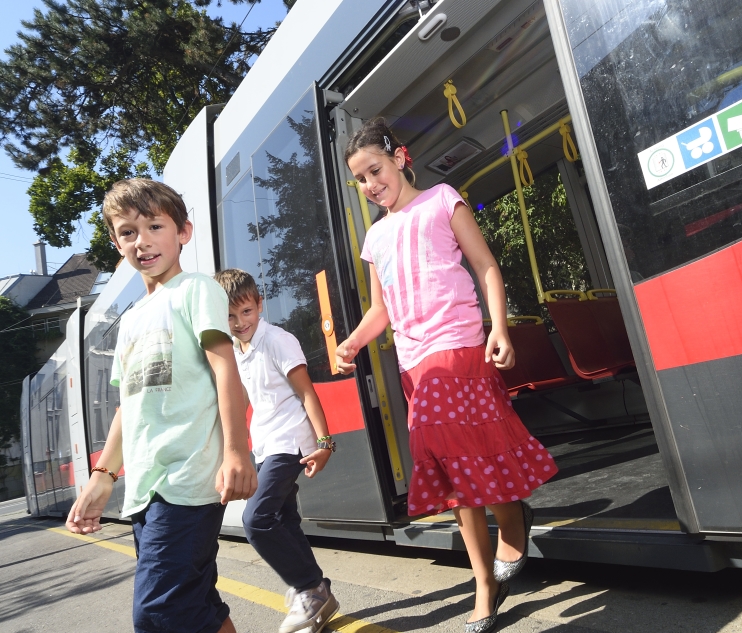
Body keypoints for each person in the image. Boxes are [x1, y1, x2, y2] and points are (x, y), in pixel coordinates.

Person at [336, 119, 558, 633]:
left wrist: (498, 327)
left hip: (458, 347)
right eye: (361, 180)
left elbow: (485, 266)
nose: (371, 184)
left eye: (375, 169)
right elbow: (382, 309)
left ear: (400, 157)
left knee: (469, 450)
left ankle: (510, 521)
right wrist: (353, 341)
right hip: (414, 362)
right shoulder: (375, 237)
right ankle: (485, 581)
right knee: (454, 466)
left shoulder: (441, 199)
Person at [65, 179, 258, 633]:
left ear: (183, 232)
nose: (143, 240)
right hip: (146, 491)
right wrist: (101, 478)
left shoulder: (196, 290)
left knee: (158, 612)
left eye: (155, 225)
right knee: (197, 604)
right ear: (117, 244)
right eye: (128, 232)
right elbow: (126, 410)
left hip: (188, 479)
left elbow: (224, 370)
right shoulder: (129, 321)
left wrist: (236, 451)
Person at [213, 268, 339, 633]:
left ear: (259, 304)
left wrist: (324, 442)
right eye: (231, 317)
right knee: (283, 519)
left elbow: (306, 393)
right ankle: (315, 590)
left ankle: (309, 588)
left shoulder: (278, 341)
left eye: (247, 312)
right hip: (266, 445)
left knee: (257, 520)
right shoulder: (236, 350)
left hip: (290, 441)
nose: (240, 323)